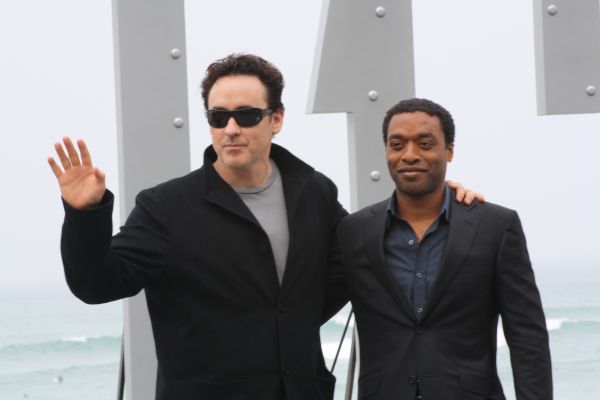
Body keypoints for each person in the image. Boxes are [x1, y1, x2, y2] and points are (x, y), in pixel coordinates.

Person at [48, 55, 480, 399]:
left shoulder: (314, 192)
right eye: (218, 117)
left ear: (276, 119)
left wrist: (434, 200)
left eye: (247, 115)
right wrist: (84, 214)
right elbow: (96, 283)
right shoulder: (165, 207)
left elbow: (366, 253)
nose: (231, 129)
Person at [337, 98, 552, 400]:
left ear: (449, 150)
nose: (409, 155)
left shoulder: (495, 226)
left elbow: (527, 336)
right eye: (397, 145)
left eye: (424, 144)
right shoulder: (353, 231)